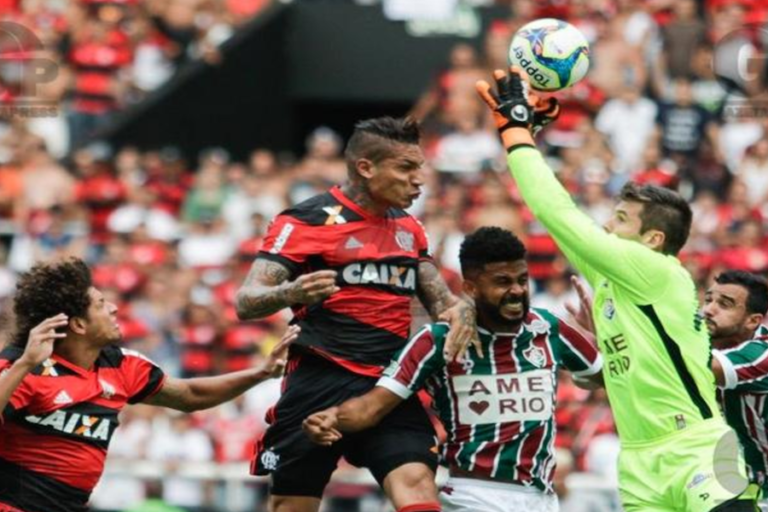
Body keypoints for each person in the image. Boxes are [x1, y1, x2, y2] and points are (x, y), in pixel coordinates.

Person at [475, 67, 750, 510]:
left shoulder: (655, 269)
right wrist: (534, 139)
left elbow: (557, 213)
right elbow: (556, 213)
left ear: (652, 240)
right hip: (638, 461)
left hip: (697, 445)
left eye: (620, 219)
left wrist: (515, 133)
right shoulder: (614, 283)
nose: (606, 223)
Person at [235, 117, 477, 512]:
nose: (418, 180)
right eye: (406, 168)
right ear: (366, 167)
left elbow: (442, 302)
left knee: (417, 483)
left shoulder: (409, 228)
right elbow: (247, 301)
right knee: (291, 505)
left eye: (420, 168)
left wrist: (463, 312)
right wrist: (291, 291)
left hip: (389, 385)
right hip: (320, 379)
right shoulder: (304, 220)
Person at [302, 227, 602, 512]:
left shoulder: (549, 328)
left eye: (522, 280)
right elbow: (374, 405)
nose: (516, 291)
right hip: (473, 495)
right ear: (470, 287)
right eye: (502, 282)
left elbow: (608, 377)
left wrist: (604, 341)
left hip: (542, 499)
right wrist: (334, 417)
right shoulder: (438, 340)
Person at [0, 258, 297, 512]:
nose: (114, 308)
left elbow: (190, 395)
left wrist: (260, 373)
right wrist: (25, 364)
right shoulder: (22, 366)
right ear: (79, 325)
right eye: (102, 304)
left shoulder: (122, 366)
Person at [705, 271, 768, 503]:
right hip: (732, 483)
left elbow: (699, 367)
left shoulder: (763, 353)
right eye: (708, 300)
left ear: (753, 320)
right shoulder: (705, 342)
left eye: (725, 304)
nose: (709, 310)